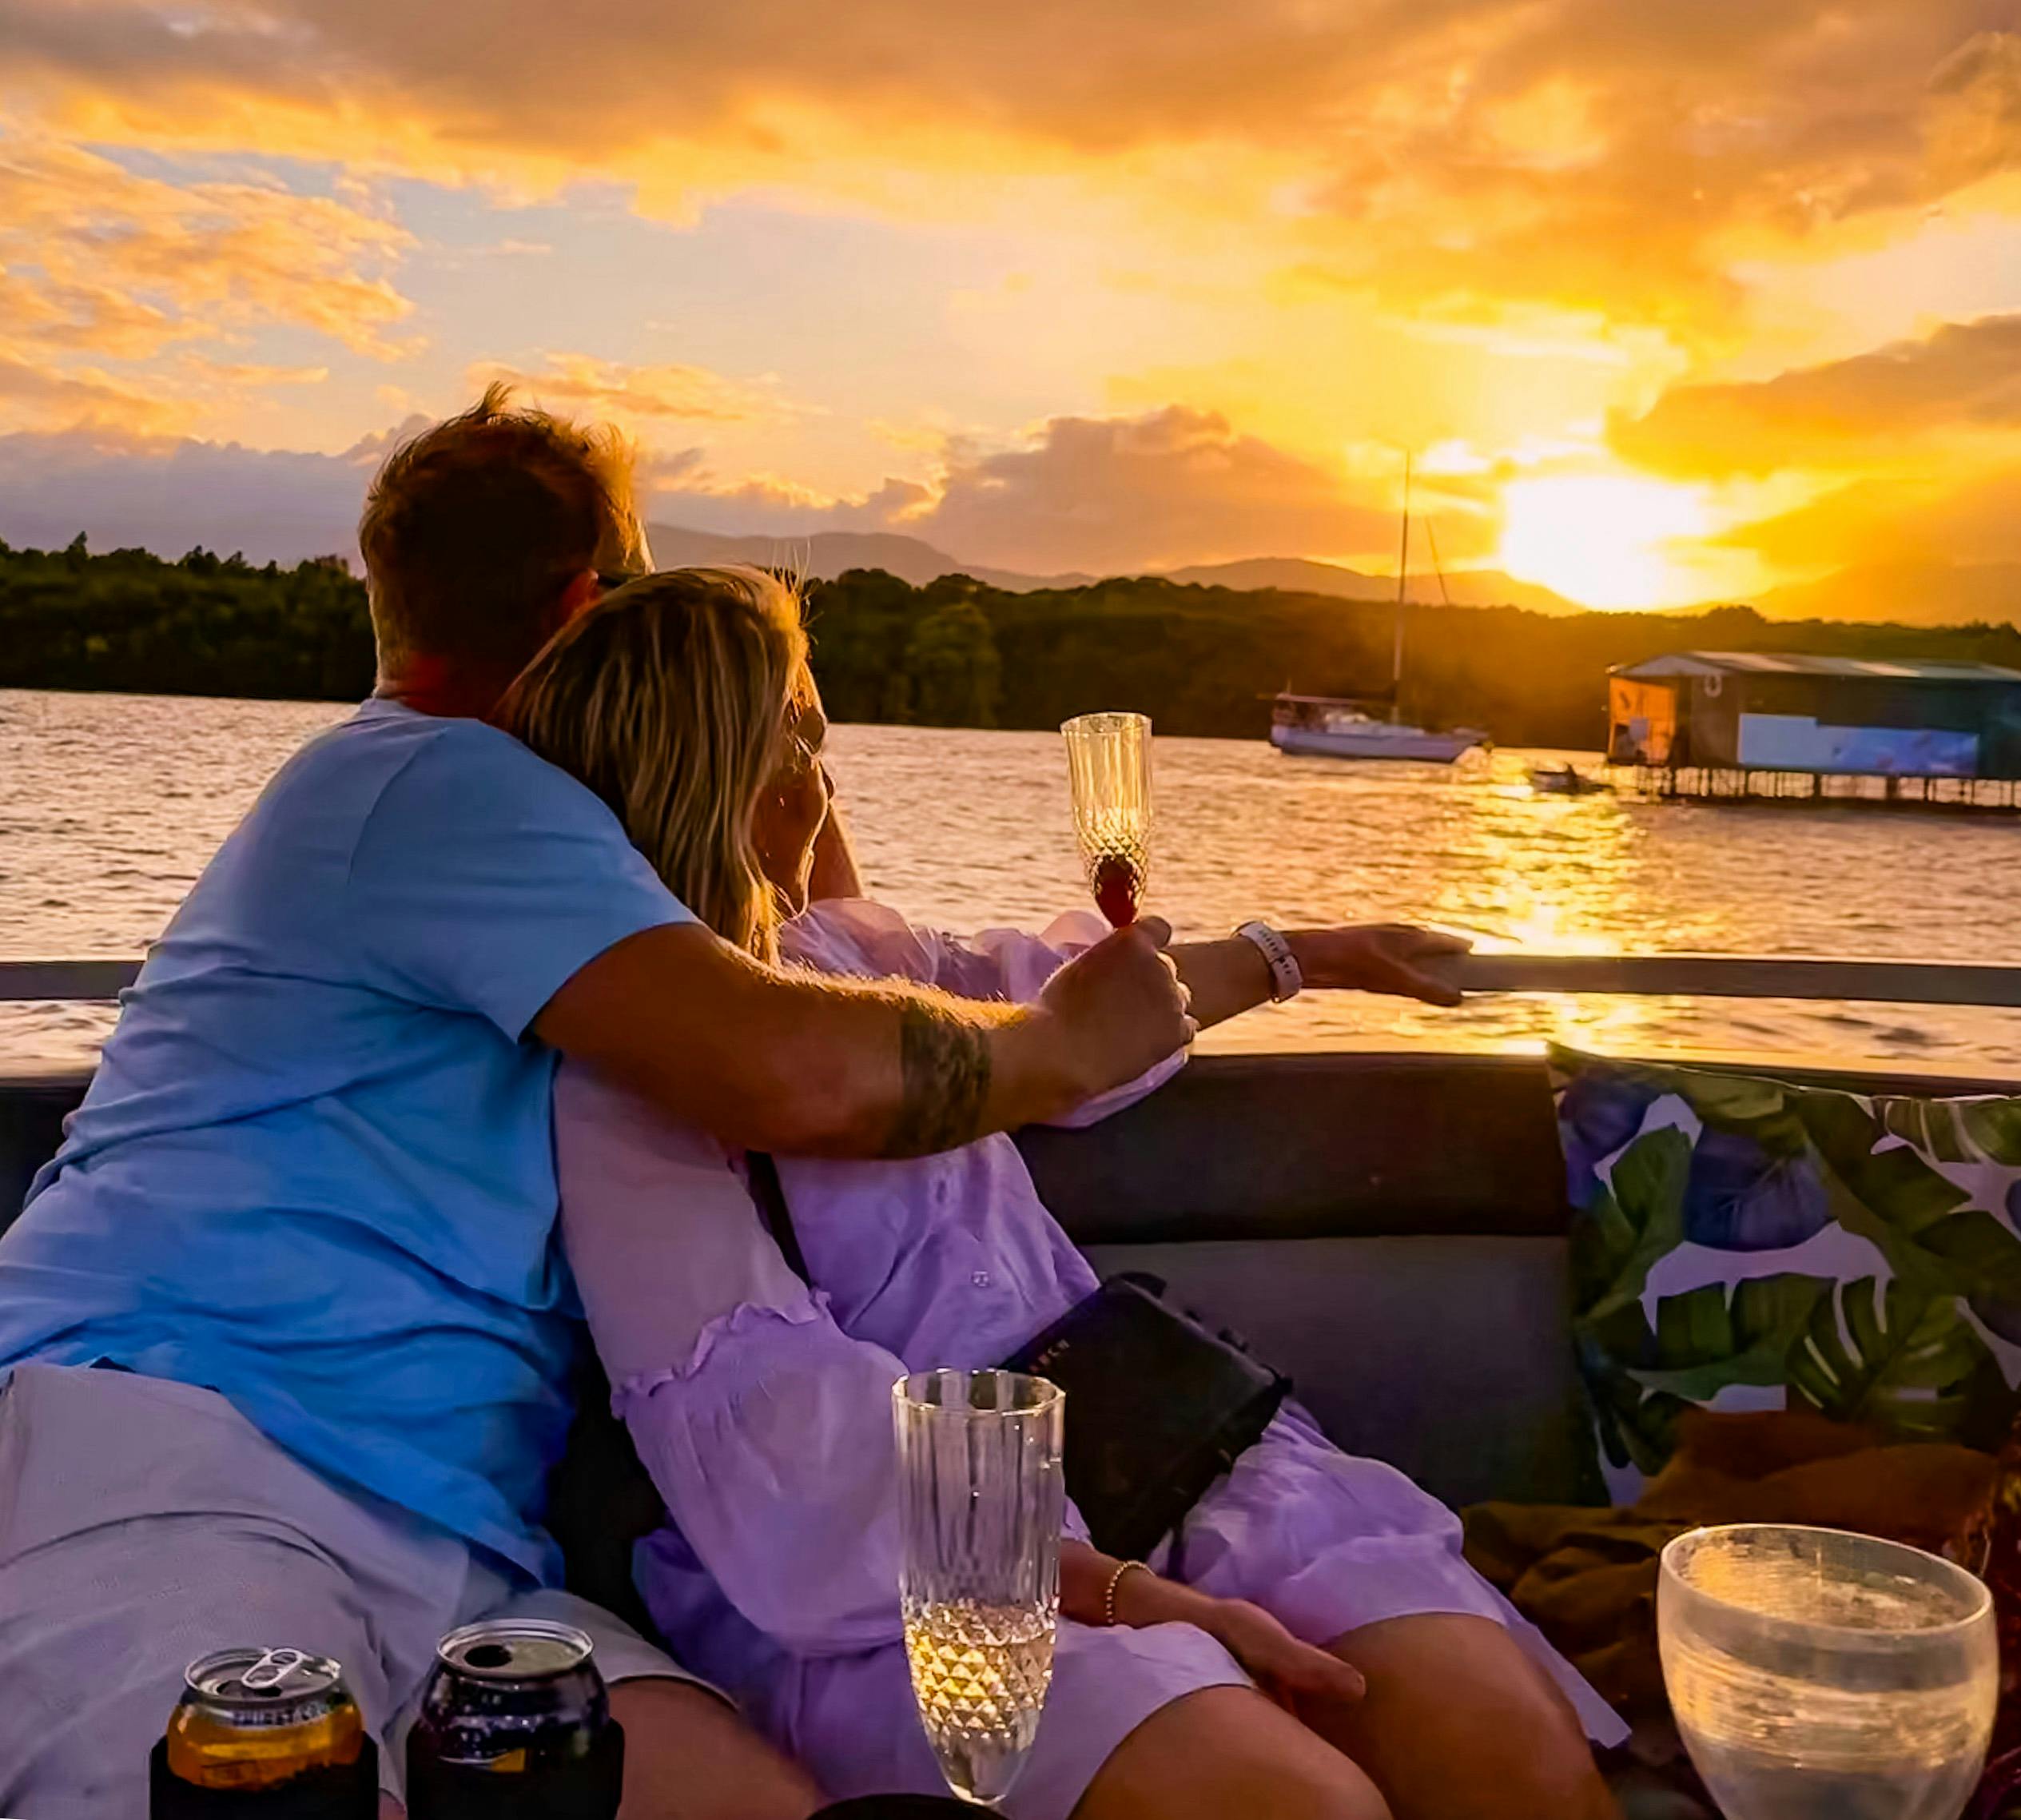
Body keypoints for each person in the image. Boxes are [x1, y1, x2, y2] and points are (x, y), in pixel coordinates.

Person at [0, 391, 1192, 1820]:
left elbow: (823, 930)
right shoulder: (442, 778)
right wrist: (1063, 1045)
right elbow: (793, 1066)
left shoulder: (536, 836)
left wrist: (778, 745)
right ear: (586, 605)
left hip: (453, 1529)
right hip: (185, 1451)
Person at [494, 568, 1631, 1820]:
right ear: (755, 777)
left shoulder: (857, 954)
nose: (829, 778)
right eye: (809, 736)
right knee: (1294, 1806)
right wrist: (1136, 1596)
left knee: (1502, 1758)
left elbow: (1061, 1009)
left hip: (1152, 1442)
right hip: (904, 1574)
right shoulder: (627, 1090)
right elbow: (793, 1463)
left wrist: (1305, 952)